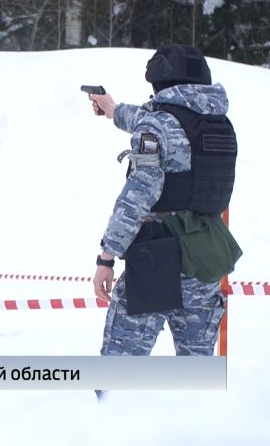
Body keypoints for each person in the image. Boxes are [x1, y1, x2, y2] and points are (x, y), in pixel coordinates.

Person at [87, 45, 242, 368]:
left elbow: (139, 194)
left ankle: (107, 419)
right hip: (205, 258)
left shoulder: (158, 125)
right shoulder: (218, 123)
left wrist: (107, 256)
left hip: (158, 259)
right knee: (195, 375)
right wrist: (112, 109)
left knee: (118, 373)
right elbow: (155, 121)